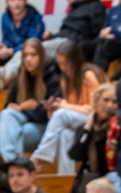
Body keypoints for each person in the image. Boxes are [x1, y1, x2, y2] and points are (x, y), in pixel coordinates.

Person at [30, 42, 105, 175]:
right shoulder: (64, 80)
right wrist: (55, 109)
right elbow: (70, 108)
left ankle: (40, 156)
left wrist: (63, 106)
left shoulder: (88, 75)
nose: (63, 68)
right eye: (60, 64)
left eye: (66, 64)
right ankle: (66, 177)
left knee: (62, 114)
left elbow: (94, 109)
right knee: (65, 134)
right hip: (77, 120)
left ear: (75, 61)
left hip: (94, 119)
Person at [0, 38, 61, 161]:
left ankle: (9, 165)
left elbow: (46, 115)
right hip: (23, 123)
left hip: (45, 128)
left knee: (8, 136)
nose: (29, 59)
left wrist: (22, 108)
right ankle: (13, 163)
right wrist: (24, 108)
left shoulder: (53, 79)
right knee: (6, 115)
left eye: (33, 55)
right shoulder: (20, 78)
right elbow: (8, 107)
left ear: (41, 56)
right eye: (25, 55)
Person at [67, 82, 118, 193]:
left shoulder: (117, 129)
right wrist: (87, 128)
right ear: (96, 101)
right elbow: (75, 155)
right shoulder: (85, 128)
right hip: (89, 179)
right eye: (106, 100)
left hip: (110, 181)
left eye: (114, 102)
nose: (110, 105)